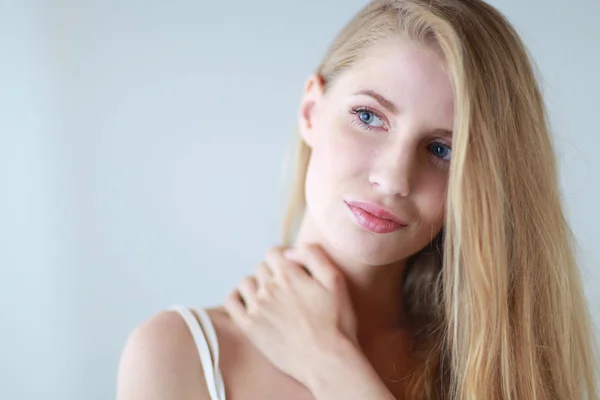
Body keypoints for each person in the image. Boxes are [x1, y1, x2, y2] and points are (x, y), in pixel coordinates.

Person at [116, 0, 600, 399]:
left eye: (442, 150)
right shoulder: (180, 355)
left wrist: (331, 365)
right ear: (311, 110)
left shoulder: (496, 367)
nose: (393, 179)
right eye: (369, 117)